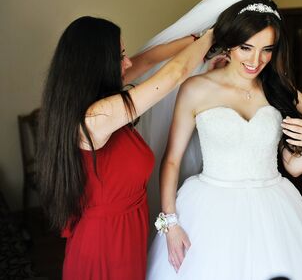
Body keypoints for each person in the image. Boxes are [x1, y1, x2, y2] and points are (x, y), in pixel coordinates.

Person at [146, 0, 302, 280]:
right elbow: (172, 160)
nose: (255, 60)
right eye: (245, 47)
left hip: (273, 205)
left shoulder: (276, 90)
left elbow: (294, 166)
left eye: (266, 50)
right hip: (212, 206)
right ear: (228, 44)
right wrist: (170, 224)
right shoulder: (196, 89)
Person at [37, 16, 212, 280]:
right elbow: (173, 74)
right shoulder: (96, 117)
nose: (128, 62)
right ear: (97, 64)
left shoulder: (92, 97)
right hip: (105, 246)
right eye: (120, 56)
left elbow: (150, 59)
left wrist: (195, 41)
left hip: (125, 233)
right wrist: (216, 34)